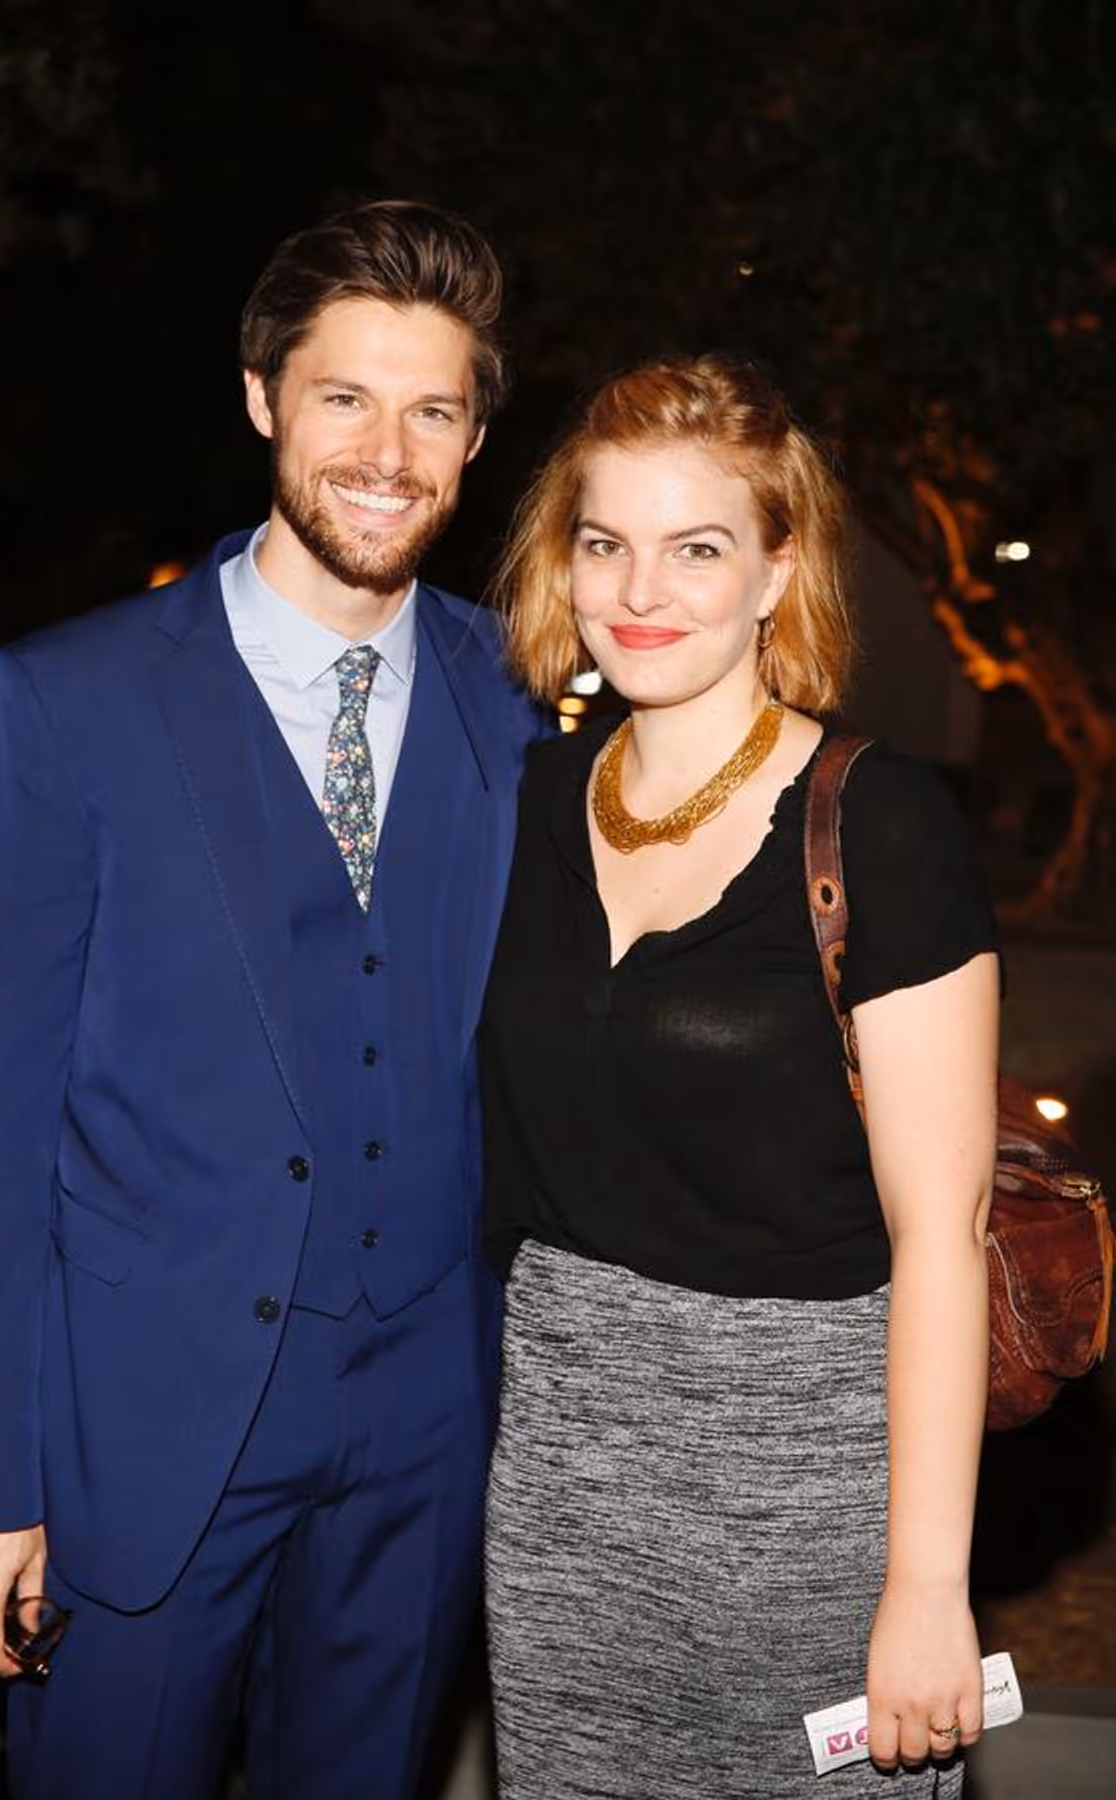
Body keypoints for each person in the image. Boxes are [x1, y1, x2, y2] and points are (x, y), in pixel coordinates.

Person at [0, 199, 545, 1800]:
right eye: (345, 397)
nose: (387, 453)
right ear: (263, 399)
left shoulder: (523, 704)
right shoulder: (62, 703)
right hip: (139, 1441)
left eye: (433, 411)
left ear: (475, 441)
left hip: (424, 1437)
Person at [480, 354, 1000, 1798]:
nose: (641, 587)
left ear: (779, 569)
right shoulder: (522, 802)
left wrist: (927, 1587)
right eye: (606, 542)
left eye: (698, 547)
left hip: (815, 1504)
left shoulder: (879, 826)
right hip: (565, 1501)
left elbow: (943, 1241)